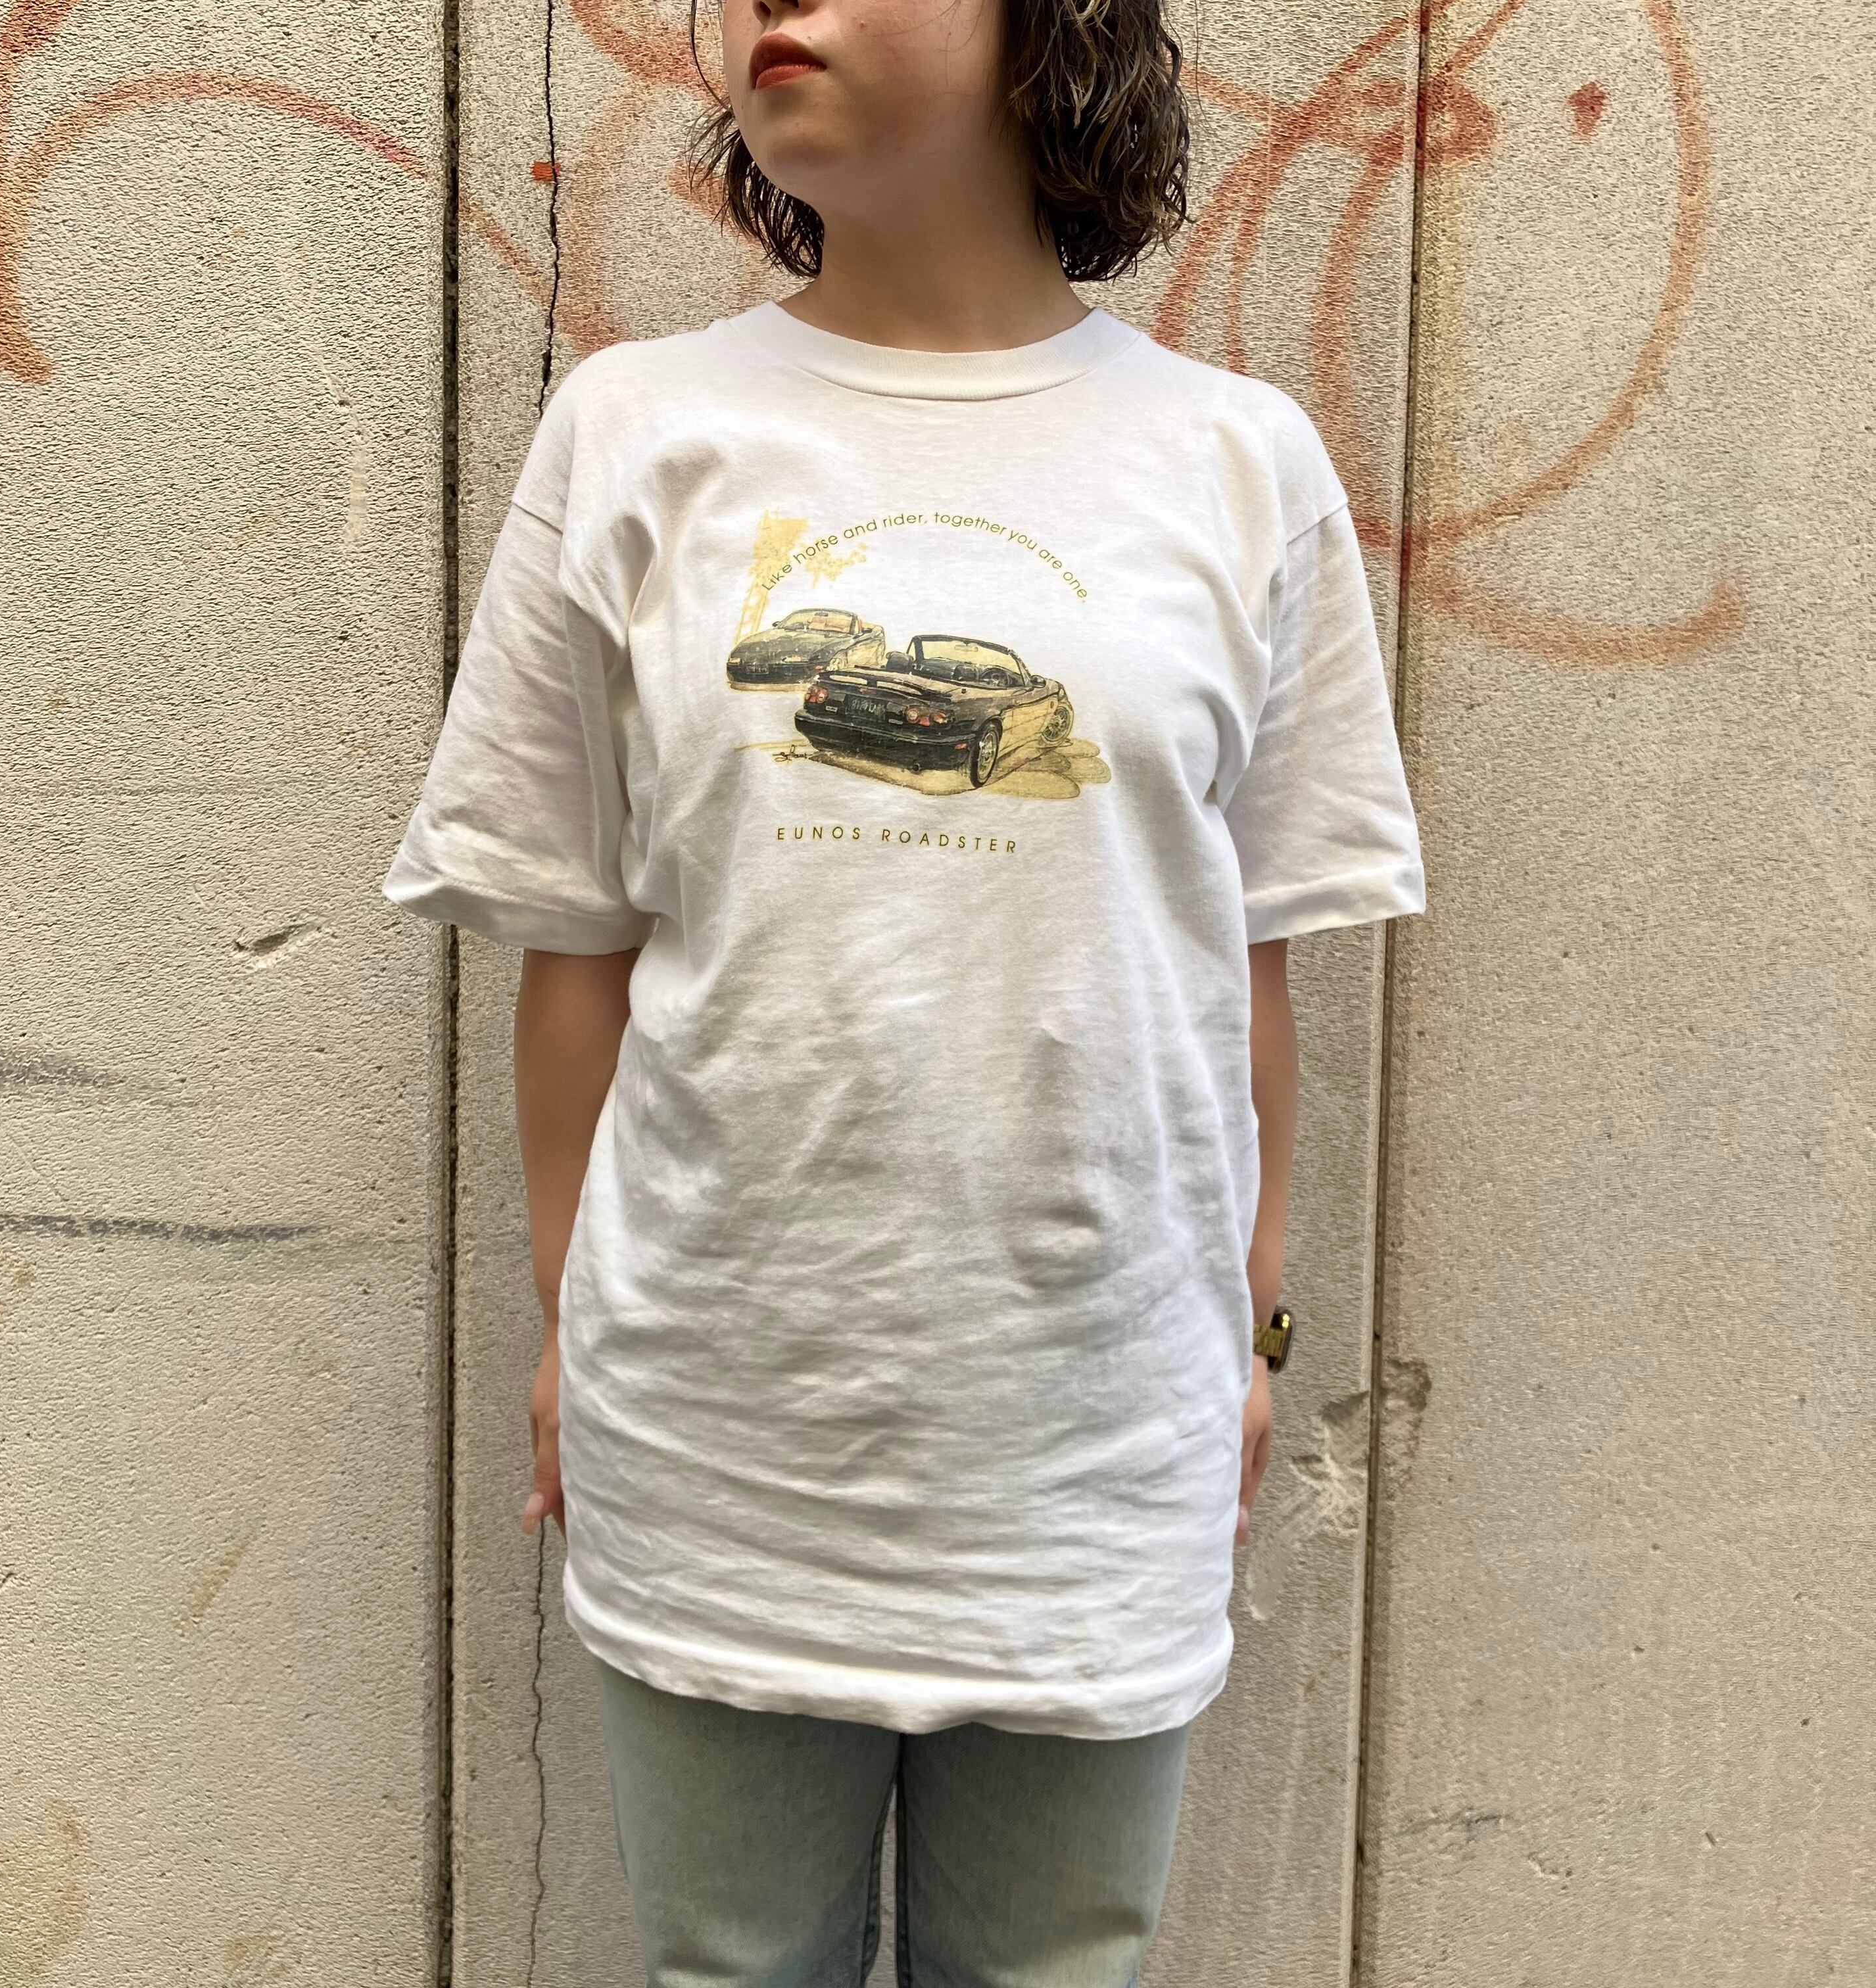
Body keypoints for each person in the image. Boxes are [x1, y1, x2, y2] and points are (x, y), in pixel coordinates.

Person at [381, 0, 1427, 1977]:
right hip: (725, 1418)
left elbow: (1246, 964)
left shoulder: (1236, 460)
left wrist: (1256, 1333)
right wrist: (572, 1322)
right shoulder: (635, 430)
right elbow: (575, 943)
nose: (778, 8)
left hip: (1099, 1432)